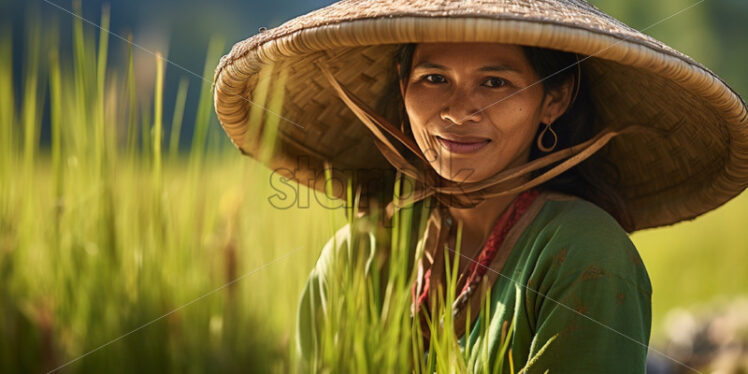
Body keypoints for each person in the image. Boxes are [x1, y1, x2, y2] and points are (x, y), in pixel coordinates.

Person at [212, 0, 748, 372]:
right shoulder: (356, 260)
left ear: (554, 100)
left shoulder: (584, 255)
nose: (459, 110)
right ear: (403, 90)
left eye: (495, 82)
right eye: (433, 79)